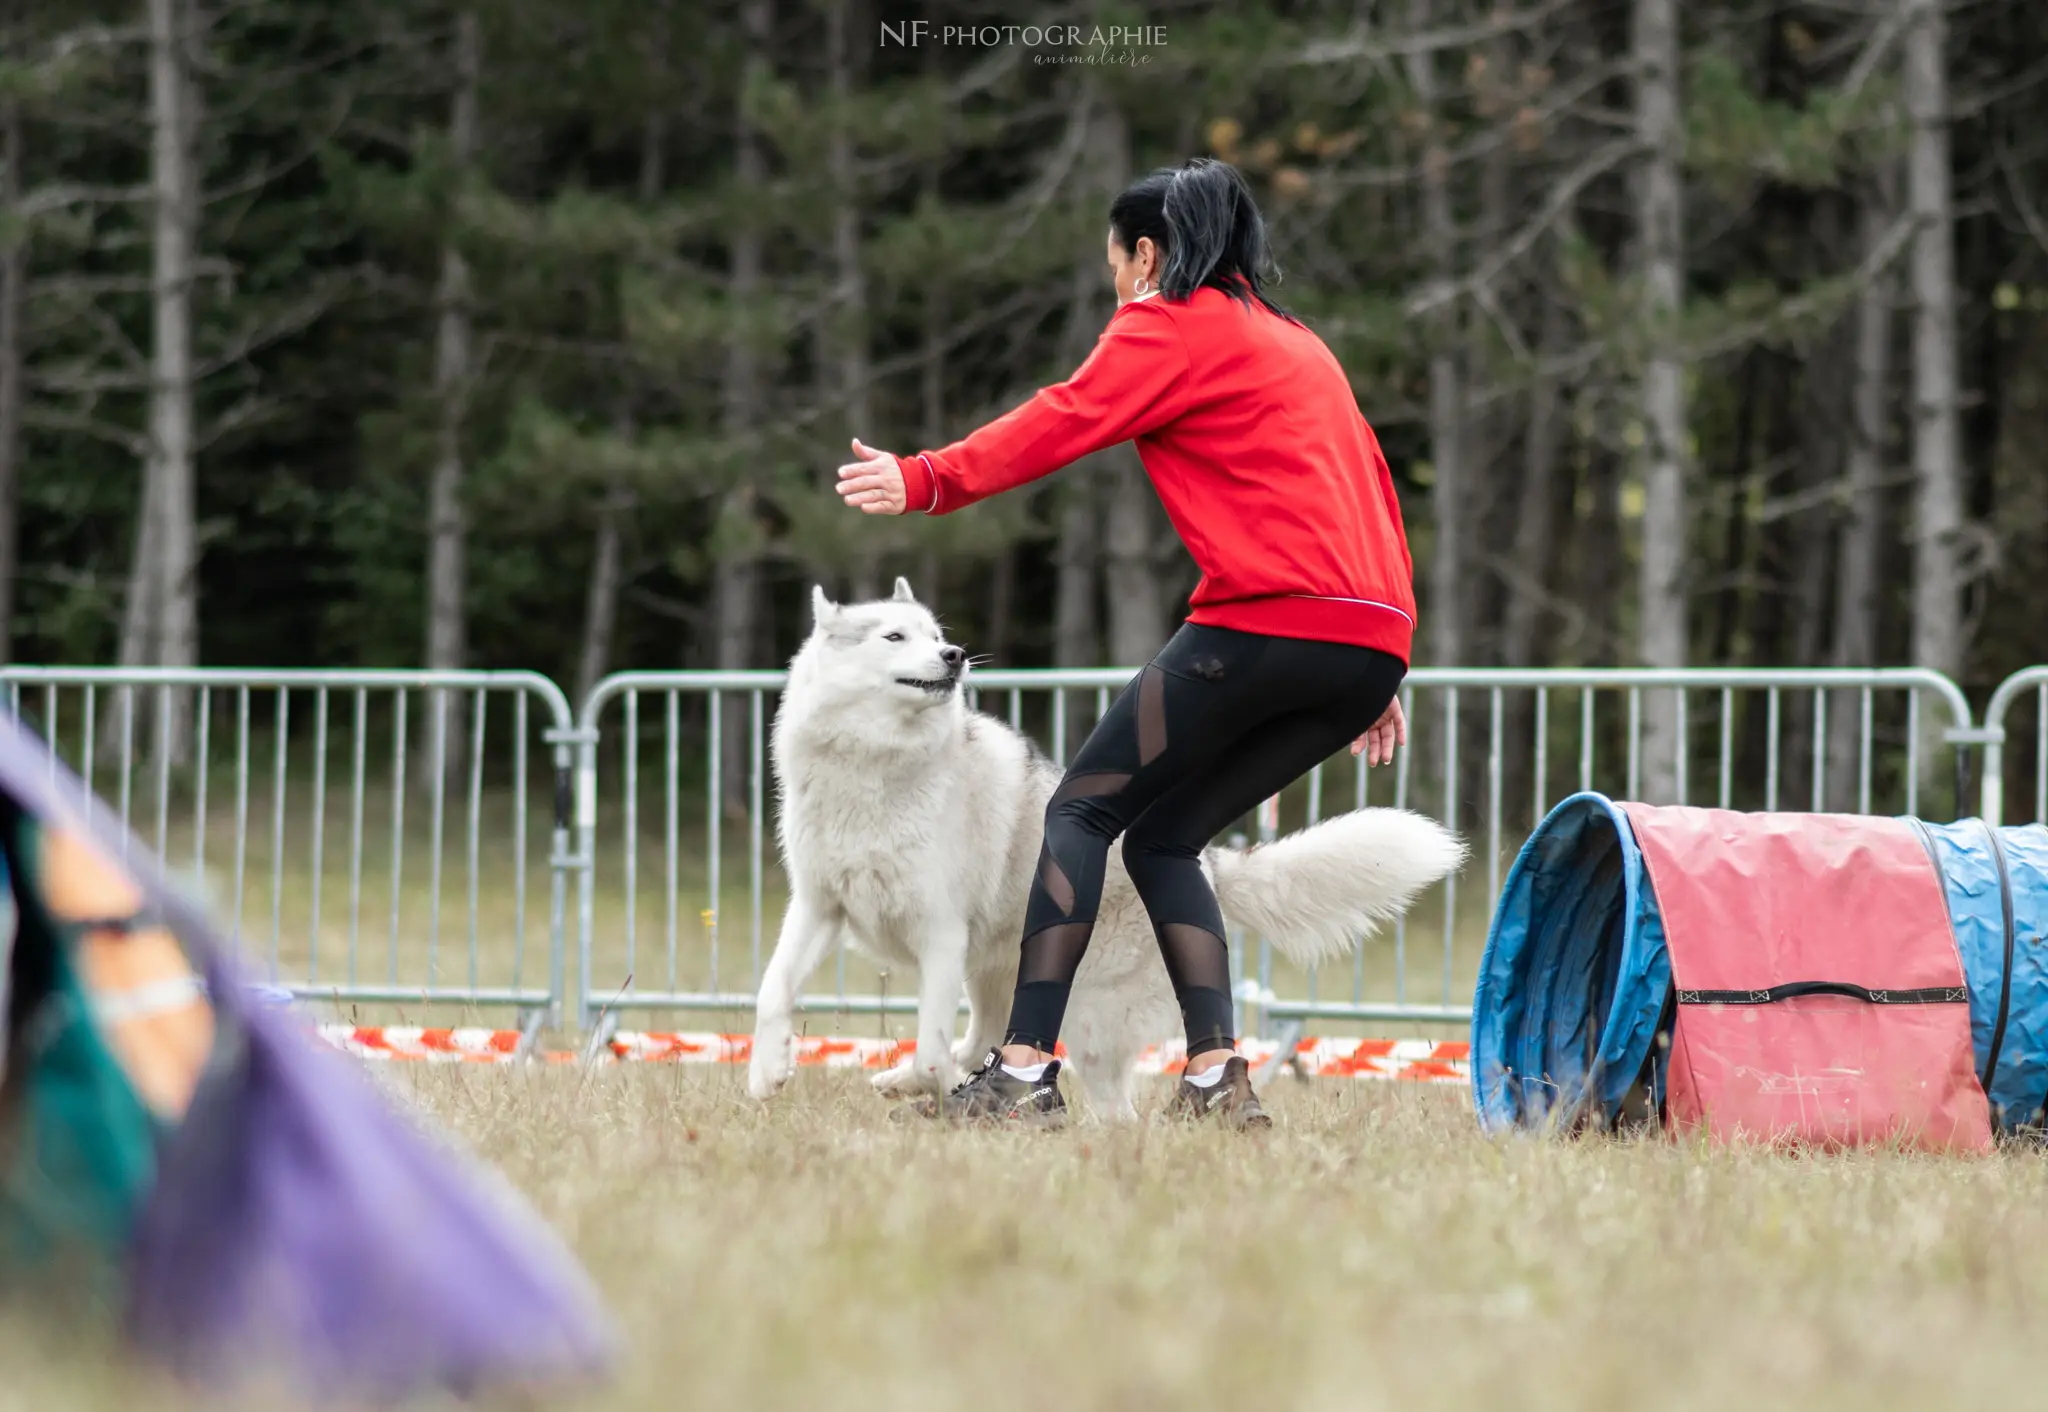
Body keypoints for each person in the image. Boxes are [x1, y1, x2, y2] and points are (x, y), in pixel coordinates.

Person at [832, 157, 1415, 1129]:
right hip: (1366, 638)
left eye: (1115, 263)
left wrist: (927, 476)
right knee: (1165, 833)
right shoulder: (1296, 342)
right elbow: (1363, 480)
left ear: (1145, 253)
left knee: (1081, 811)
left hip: (1264, 621)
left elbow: (1062, 416)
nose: (1116, 284)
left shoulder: (1166, 320)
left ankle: (1018, 1072)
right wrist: (1370, 652)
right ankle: (1215, 1075)